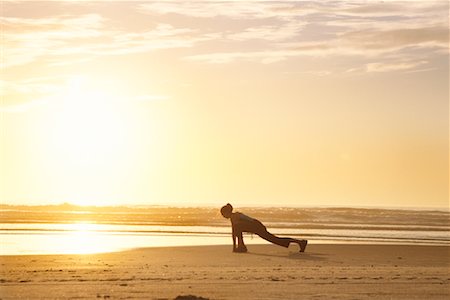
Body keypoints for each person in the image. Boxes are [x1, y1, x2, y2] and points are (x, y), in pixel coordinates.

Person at [220, 203, 308, 253]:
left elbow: (251, 221)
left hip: (257, 226)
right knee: (237, 228)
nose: (223, 216)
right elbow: (234, 233)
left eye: (223, 214)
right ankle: (241, 247)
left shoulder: (237, 215)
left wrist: (234, 248)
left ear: (227, 212)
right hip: (255, 227)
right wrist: (234, 247)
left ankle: (301, 242)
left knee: (275, 239)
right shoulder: (233, 219)